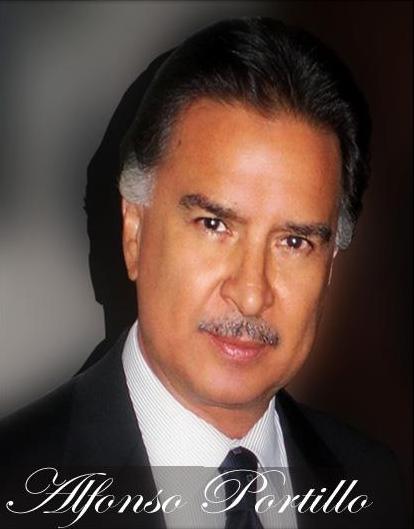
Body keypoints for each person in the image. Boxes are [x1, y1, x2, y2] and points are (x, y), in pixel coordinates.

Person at [0, 17, 407, 529]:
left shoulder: (373, 487)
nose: (251, 294)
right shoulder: (15, 486)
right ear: (134, 232)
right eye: (214, 225)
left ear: (330, 267)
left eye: (294, 242)